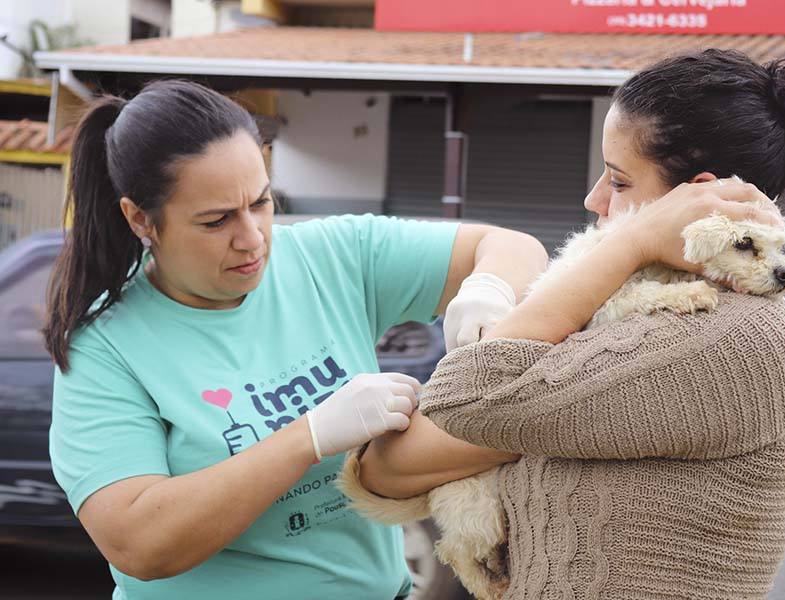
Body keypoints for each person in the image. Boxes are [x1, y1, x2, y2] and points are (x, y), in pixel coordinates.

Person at [358, 49, 785, 599]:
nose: (594, 200)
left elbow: (468, 394)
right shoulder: (643, 312)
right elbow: (388, 469)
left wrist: (631, 241)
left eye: (618, 180)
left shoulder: (732, 339)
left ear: (698, 196)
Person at [44, 80, 553, 600]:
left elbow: (511, 246)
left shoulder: (329, 256)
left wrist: (489, 288)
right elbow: (139, 544)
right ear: (140, 219)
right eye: (216, 220)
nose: (252, 237)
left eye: (261, 201)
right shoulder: (103, 346)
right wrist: (306, 437)